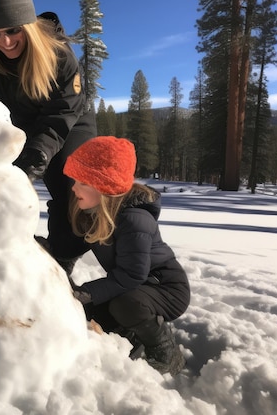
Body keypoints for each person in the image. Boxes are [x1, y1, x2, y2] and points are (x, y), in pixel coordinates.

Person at [0, 0, 97, 274]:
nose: (5, 42)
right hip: (14, 125)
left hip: (68, 120)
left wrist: (36, 157)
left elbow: (60, 114)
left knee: (72, 185)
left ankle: (62, 262)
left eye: (12, 30)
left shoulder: (58, 55)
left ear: (28, 23)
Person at [63, 136, 190, 376]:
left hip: (166, 289)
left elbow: (132, 275)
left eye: (83, 182)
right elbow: (69, 248)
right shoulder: (94, 213)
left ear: (104, 187)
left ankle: (166, 353)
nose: (74, 188)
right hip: (134, 287)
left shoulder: (135, 220)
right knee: (90, 312)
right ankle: (131, 333)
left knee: (125, 305)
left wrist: (87, 292)